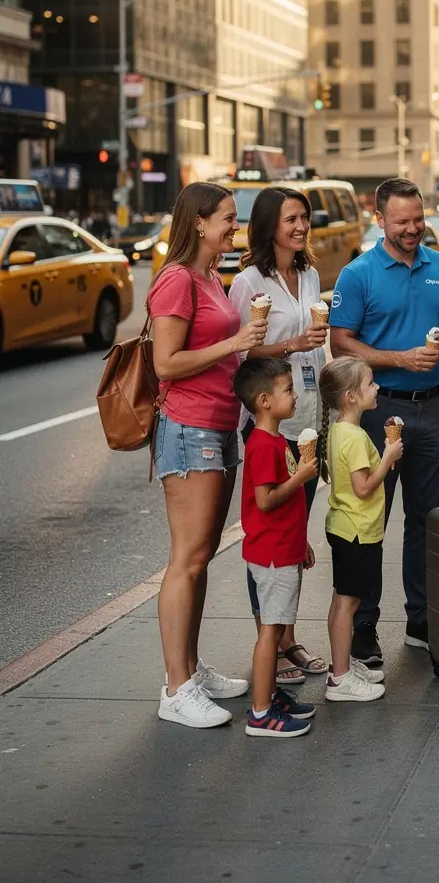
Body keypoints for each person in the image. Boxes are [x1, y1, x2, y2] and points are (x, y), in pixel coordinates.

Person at [330, 177, 439, 667]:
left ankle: (421, 618)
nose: (414, 228)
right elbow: (340, 342)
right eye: (403, 222)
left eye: (418, 218)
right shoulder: (358, 274)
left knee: (427, 520)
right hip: (380, 410)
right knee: (369, 519)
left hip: (435, 408)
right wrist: (399, 358)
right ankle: (364, 623)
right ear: (380, 221)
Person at [149, 182, 266, 729]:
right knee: (187, 559)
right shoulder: (175, 280)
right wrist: (236, 341)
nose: (234, 227)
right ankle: (176, 689)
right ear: (197, 222)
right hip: (189, 427)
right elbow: (166, 365)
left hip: (220, 426)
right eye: (226, 218)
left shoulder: (208, 277)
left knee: (203, 557)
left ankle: (190, 670)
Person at [229, 186, 329, 683]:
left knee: (294, 534)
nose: (300, 226)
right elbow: (237, 357)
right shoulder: (249, 282)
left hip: (309, 415)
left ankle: (286, 638)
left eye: (304, 217)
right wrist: (290, 343)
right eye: (291, 218)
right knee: (269, 536)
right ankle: (269, 637)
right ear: (269, 224)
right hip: (273, 425)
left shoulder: (309, 273)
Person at [234, 359, 319, 738]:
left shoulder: (274, 440)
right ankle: (261, 712)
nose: (295, 395)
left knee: (279, 623)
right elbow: (266, 501)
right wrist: (300, 476)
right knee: (271, 630)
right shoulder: (263, 445)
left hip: (284, 548)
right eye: (288, 389)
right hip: (271, 555)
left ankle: (271, 695)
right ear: (265, 400)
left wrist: (300, 542)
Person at [319, 356, 403, 701]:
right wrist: (388, 456)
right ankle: (340, 679)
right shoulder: (353, 437)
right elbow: (363, 487)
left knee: (343, 599)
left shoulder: (340, 429)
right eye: (370, 383)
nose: (377, 387)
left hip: (346, 526)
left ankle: (342, 665)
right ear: (351, 396)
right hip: (355, 529)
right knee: (347, 602)